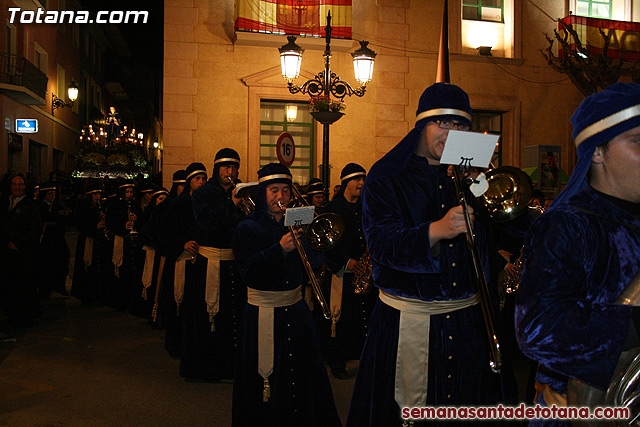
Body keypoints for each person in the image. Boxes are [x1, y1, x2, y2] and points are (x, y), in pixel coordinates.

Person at [347, 83, 502, 427]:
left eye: (461, 126)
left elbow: (499, 237)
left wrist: (484, 188)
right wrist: (436, 230)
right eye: (443, 124)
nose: (453, 134)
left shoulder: (468, 174)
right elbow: (382, 246)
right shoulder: (387, 176)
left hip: (466, 323)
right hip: (407, 323)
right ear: (422, 126)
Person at [515, 82, 640, 425]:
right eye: (639, 141)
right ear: (597, 152)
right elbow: (537, 327)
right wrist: (630, 326)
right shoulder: (566, 224)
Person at [231, 162, 341, 427]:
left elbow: (314, 263)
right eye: (273, 191)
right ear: (263, 193)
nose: (280, 197)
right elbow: (247, 272)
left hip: (296, 309)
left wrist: (310, 241)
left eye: (285, 191)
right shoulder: (247, 227)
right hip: (262, 313)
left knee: (305, 376)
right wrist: (279, 249)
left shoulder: (299, 220)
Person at [184, 148, 246, 381]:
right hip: (209, 262)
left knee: (233, 317)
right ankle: (205, 368)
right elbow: (206, 222)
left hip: (233, 263)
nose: (230, 172)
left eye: (234, 167)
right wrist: (231, 204)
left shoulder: (243, 191)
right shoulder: (203, 193)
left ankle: (231, 366)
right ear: (216, 169)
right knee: (208, 316)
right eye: (225, 167)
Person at [320, 163, 377, 380]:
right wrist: (346, 261)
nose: (362, 183)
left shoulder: (366, 206)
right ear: (346, 183)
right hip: (341, 274)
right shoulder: (331, 209)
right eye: (357, 180)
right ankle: (338, 361)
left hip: (364, 271)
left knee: (366, 318)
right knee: (341, 320)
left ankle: (364, 358)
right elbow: (324, 244)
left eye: (363, 179)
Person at [159, 162, 207, 358]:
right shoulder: (178, 204)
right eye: (197, 179)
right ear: (189, 181)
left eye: (204, 179)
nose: (201, 182)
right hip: (181, 260)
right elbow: (164, 232)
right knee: (179, 305)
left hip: (200, 261)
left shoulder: (205, 203)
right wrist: (183, 243)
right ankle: (176, 344)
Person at [0, 174, 42, 329]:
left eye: (20, 184)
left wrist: (19, 243)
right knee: (9, 285)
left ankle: (24, 317)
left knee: (23, 286)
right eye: (14, 184)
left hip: (22, 254)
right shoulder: (4, 203)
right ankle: (11, 314)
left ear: (25, 186)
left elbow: (34, 229)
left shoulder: (30, 206)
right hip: (6, 254)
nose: (17, 187)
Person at [71, 181, 111, 305]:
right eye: (95, 195)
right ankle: (88, 294)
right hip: (88, 241)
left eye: (99, 194)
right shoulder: (84, 207)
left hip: (99, 241)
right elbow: (80, 225)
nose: (98, 197)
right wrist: (95, 226)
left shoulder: (100, 207)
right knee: (88, 267)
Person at [105, 180, 142, 310]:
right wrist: (122, 226)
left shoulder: (135, 204)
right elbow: (110, 223)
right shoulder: (115, 205)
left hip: (133, 242)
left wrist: (136, 220)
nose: (129, 195)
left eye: (131, 192)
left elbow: (142, 220)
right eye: (127, 192)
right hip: (121, 240)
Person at [36, 181, 72, 298]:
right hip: (45, 239)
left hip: (57, 238)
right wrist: (55, 216)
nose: (52, 196)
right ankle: (45, 288)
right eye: (49, 194)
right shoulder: (38, 205)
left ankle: (59, 285)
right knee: (46, 263)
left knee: (62, 259)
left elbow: (64, 218)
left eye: (54, 193)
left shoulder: (57, 204)